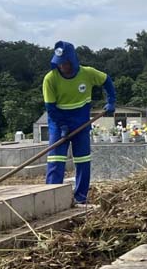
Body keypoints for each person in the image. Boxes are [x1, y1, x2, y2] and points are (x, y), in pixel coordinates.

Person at [43, 41, 116, 204]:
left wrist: (111, 101)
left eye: (65, 63)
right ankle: (50, 199)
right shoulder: (50, 79)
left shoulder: (87, 73)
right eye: (59, 63)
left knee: (83, 160)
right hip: (58, 123)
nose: (62, 66)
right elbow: (51, 109)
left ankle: (80, 197)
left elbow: (107, 81)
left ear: (73, 61)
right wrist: (62, 127)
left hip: (80, 123)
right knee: (56, 160)